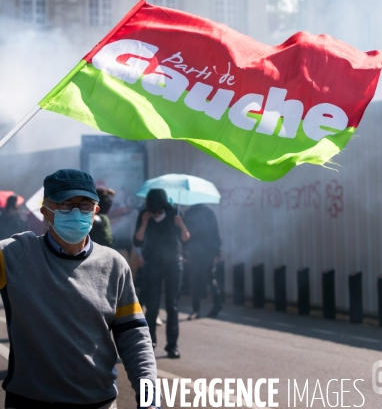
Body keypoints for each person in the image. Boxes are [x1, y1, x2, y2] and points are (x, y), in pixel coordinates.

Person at [0, 169, 157, 409]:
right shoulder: (13, 255)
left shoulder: (114, 265)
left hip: (98, 403)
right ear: (45, 211)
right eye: (65, 205)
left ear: (96, 211)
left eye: (85, 205)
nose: (76, 212)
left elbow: (135, 336)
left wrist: (150, 401)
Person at [133, 189, 190, 359]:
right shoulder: (145, 215)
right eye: (153, 210)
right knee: (152, 306)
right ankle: (150, 344)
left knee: (172, 305)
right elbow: (137, 240)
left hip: (173, 264)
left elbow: (186, 239)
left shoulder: (175, 214)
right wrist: (144, 222)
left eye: (158, 210)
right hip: (153, 264)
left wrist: (181, 225)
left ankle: (172, 346)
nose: (156, 213)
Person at [184, 203, 223, 319]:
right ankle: (196, 310)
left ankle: (217, 305)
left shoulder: (209, 212)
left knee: (210, 277)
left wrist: (217, 251)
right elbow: (185, 234)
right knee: (194, 279)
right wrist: (185, 251)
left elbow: (216, 232)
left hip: (208, 250)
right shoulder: (188, 213)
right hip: (194, 251)